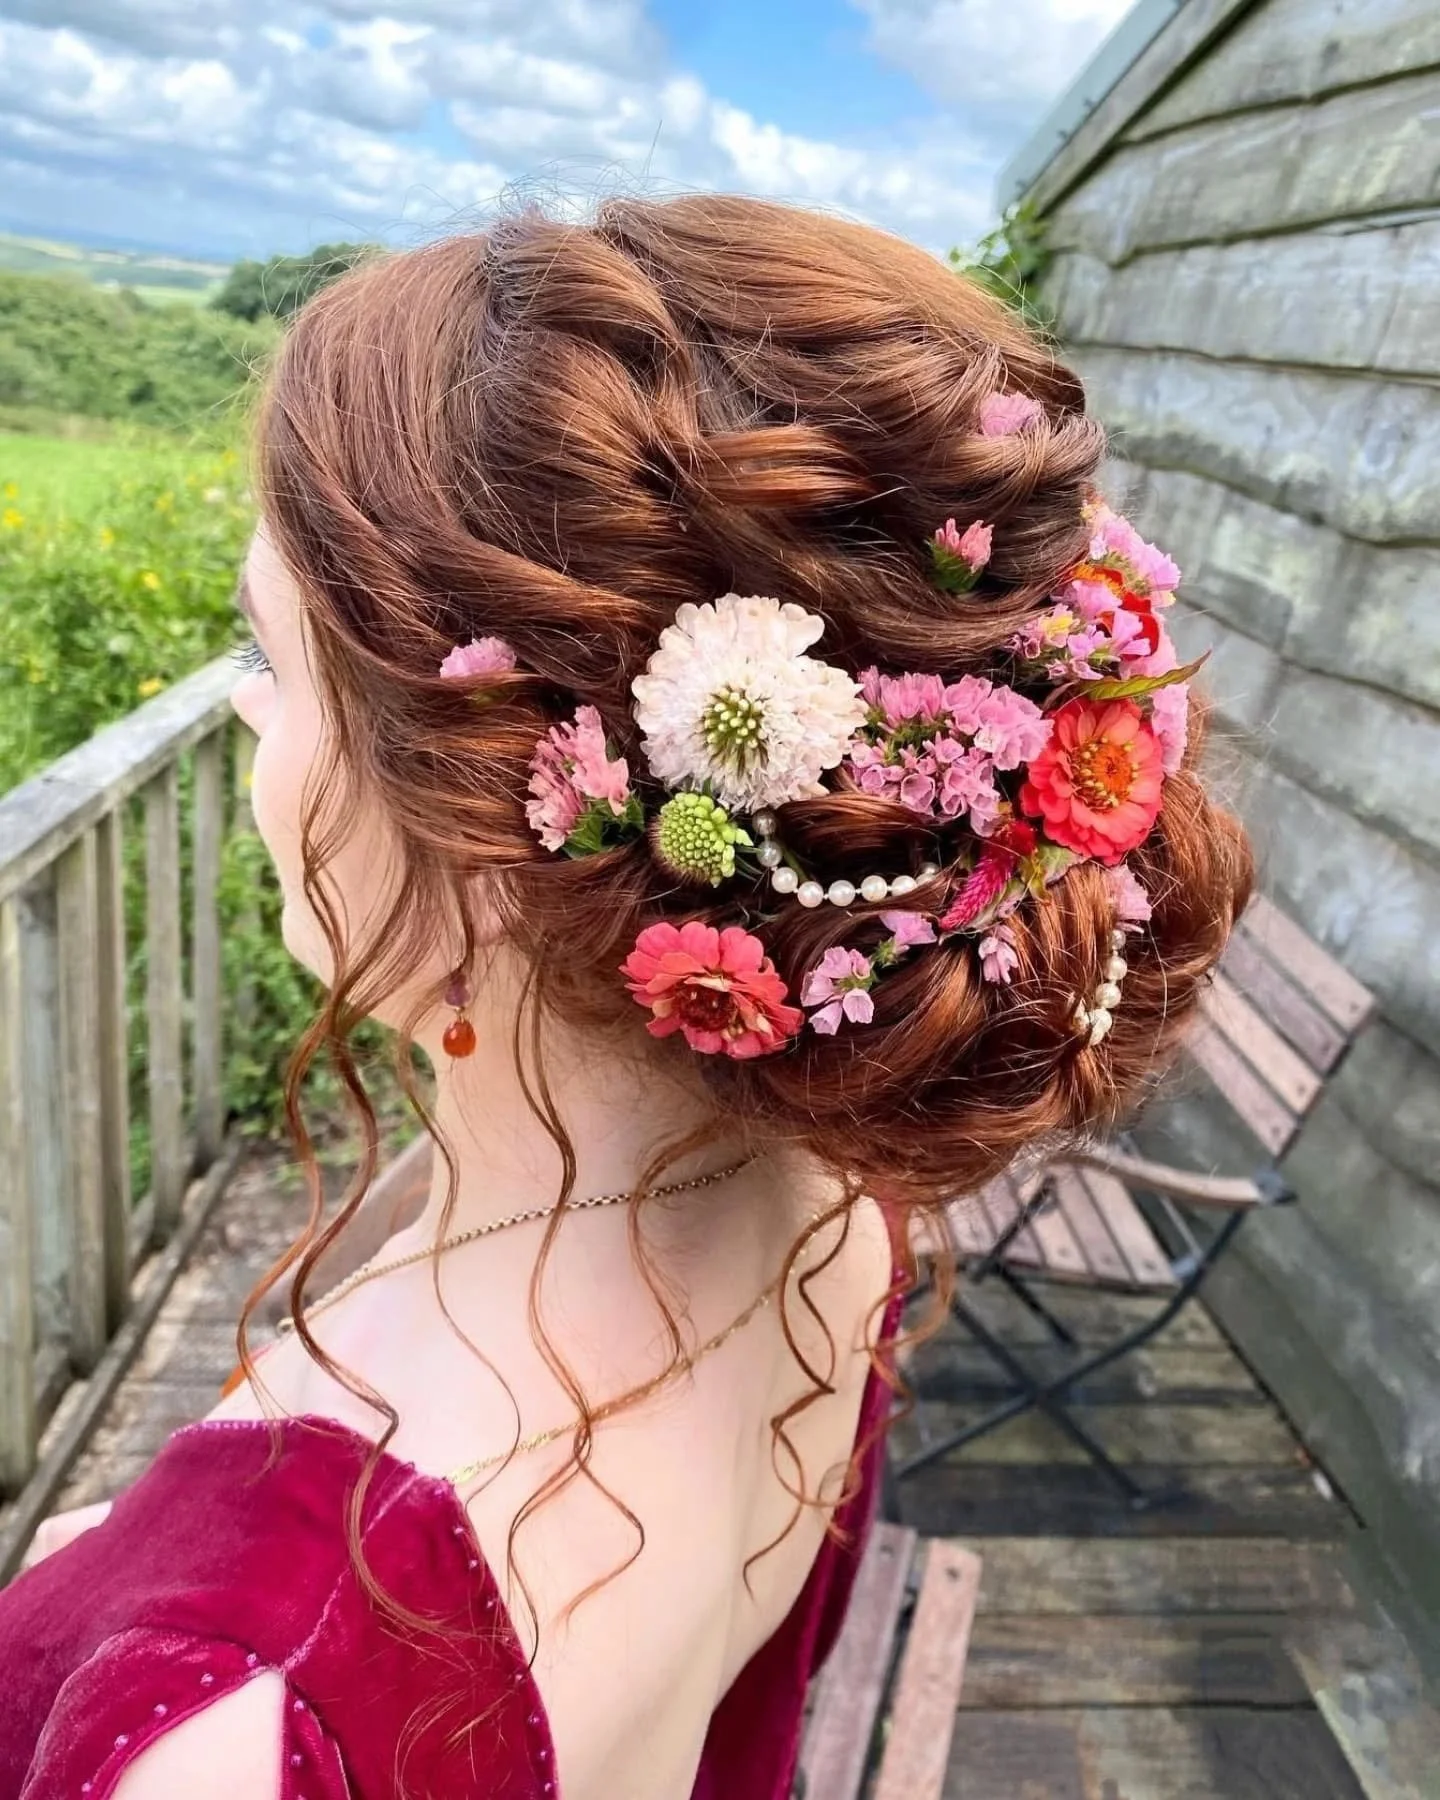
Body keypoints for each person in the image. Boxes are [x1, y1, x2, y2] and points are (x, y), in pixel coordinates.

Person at [0, 195, 1249, 1800]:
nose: (250, 722)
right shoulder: (822, 1189)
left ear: (479, 839)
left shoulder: (243, 1729)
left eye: (278, 664)